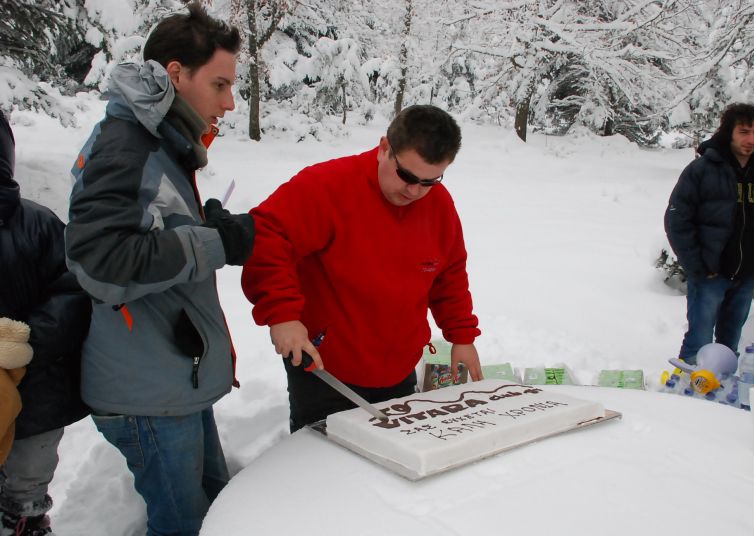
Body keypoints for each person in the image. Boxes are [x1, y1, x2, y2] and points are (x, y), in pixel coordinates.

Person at [64, 3, 253, 534]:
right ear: (175, 74)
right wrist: (211, 242)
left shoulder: (158, 137)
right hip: (145, 392)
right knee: (185, 525)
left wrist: (199, 223)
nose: (229, 102)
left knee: (220, 508)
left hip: (168, 376)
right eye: (219, 84)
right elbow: (98, 262)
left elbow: (148, 226)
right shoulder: (129, 144)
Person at [242, 104, 483, 432]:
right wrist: (282, 314)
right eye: (406, 176)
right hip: (325, 371)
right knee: (323, 468)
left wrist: (462, 337)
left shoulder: (438, 205)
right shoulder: (327, 187)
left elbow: (449, 273)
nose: (414, 191)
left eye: (429, 181)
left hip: (397, 371)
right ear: (385, 148)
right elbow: (267, 235)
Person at [0, 111, 92, 536]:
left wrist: (29, 340)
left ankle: (26, 520)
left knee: (26, 484)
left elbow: (74, 291)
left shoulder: (36, 224)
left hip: (37, 391)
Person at [665, 103, 754, 365]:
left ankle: (720, 393)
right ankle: (684, 393)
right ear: (729, 132)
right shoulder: (702, 170)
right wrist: (698, 266)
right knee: (699, 340)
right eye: (744, 131)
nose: (751, 139)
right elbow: (677, 220)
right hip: (711, 274)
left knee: (730, 344)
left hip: (746, 274)